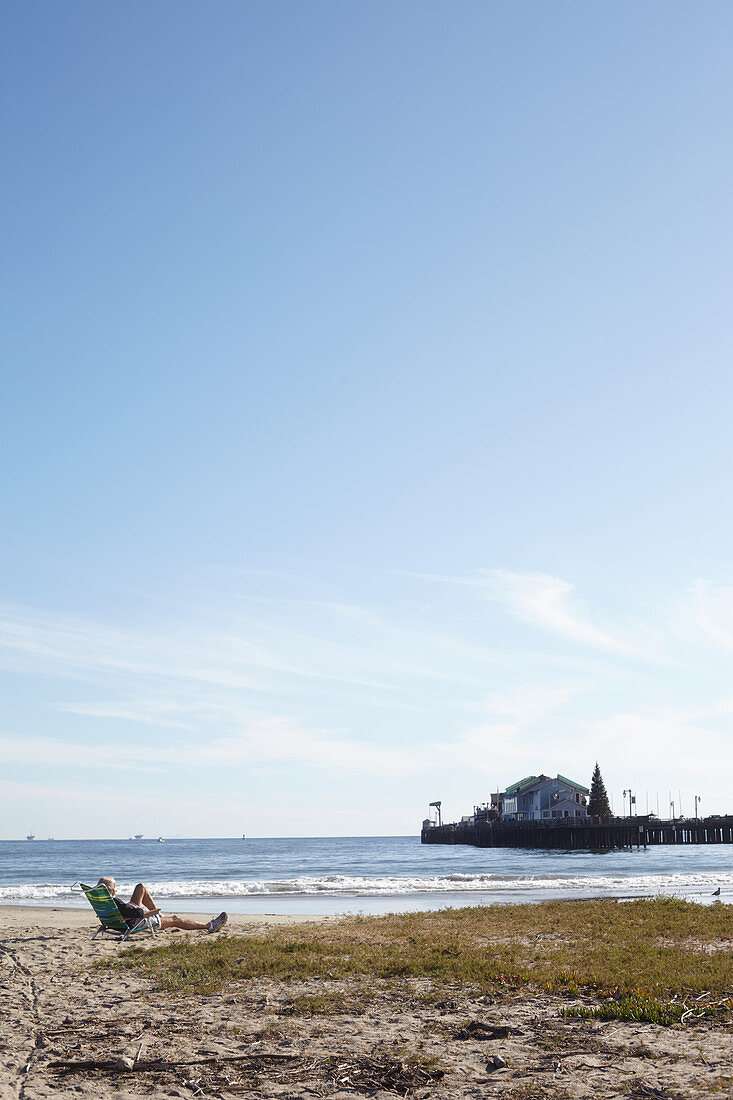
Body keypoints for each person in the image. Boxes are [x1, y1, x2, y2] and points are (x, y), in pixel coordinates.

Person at [97, 877, 227, 933]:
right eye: (115, 886)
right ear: (112, 889)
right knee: (176, 919)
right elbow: (136, 914)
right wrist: (141, 910)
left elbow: (124, 910)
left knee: (140, 887)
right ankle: (210, 926)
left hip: (123, 917)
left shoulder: (103, 901)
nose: (116, 888)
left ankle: (159, 916)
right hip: (135, 921)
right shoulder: (116, 902)